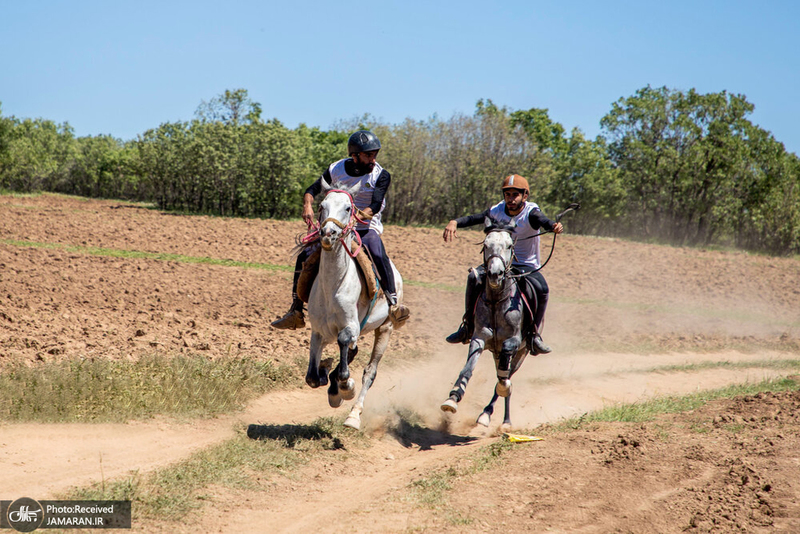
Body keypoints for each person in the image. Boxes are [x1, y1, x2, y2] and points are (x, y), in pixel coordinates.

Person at [271, 130, 410, 329]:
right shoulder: (336, 168)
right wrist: (307, 205)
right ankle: (295, 310)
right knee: (304, 256)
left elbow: (376, 205)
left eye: (375, 154)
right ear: (355, 155)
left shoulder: (381, 175)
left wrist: (357, 217)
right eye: (368, 155)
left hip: (364, 226)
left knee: (377, 253)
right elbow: (312, 190)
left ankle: (393, 303)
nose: (373, 158)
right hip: (335, 226)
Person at [442, 174, 563, 354]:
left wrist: (553, 225)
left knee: (542, 288)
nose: (511, 199)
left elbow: (543, 221)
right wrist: (455, 222)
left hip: (525, 264)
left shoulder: (531, 212)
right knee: (473, 277)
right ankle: (467, 326)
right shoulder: (496, 210)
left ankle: (534, 335)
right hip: (498, 262)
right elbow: (474, 218)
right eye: (508, 194)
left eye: (516, 194)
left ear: (525, 196)